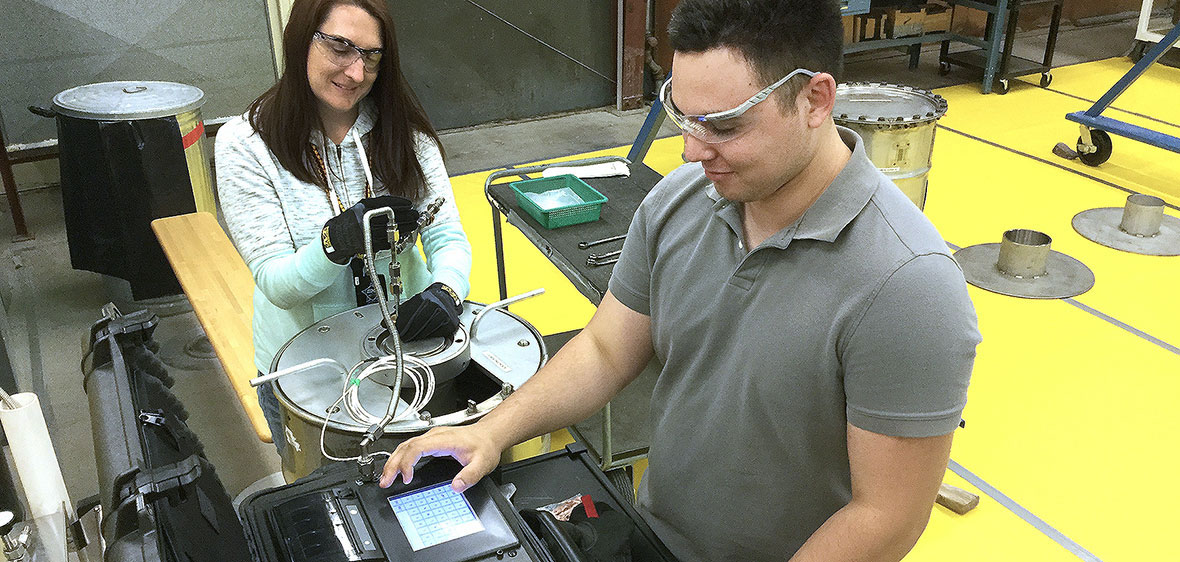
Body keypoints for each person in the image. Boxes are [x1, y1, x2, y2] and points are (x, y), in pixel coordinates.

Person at [381, 0, 980, 559]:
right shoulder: (680, 201)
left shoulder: (908, 287)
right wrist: (490, 433)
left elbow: (887, 516)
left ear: (815, 100)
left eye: (723, 125)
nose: (692, 152)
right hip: (652, 536)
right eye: (683, 118)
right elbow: (605, 347)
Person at [215, 0, 471, 456]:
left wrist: (447, 290)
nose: (355, 72)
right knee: (331, 508)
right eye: (340, 47)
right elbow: (278, 284)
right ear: (300, 40)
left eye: (371, 56)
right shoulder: (246, 146)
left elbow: (445, 234)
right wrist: (333, 246)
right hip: (304, 374)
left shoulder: (405, 134)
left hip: (404, 356)